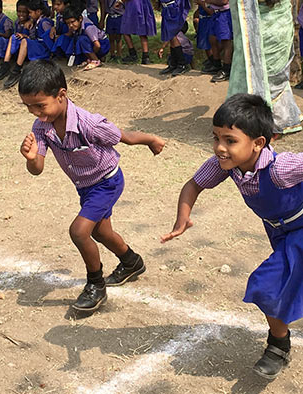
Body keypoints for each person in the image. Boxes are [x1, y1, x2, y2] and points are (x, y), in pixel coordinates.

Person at [161, 93, 303, 380]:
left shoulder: (280, 168)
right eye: (216, 138)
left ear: (258, 144)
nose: (219, 148)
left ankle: (278, 346)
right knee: (281, 284)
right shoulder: (225, 166)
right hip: (278, 231)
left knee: (265, 285)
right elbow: (193, 186)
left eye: (230, 140)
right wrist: (182, 216)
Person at [19, 60, 165, 312]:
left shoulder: (89, 124)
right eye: (28, 107)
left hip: (107, 182)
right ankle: (131, 262)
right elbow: (37, 169)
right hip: (85, 187)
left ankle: (96, 285)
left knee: (79, 231)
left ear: (61, 95)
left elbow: (125, 137)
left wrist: (151, 139)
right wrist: (31, 159)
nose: (35, 112)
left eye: (40, 105)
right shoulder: (41, 126)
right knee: (100, 232)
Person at [227, 0, 302, 135]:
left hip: (268, 31)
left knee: (264, 77)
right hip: (279, 25)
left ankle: (263, 125)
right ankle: (276, 121)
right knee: (273, 79)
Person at [0, 0, 55, 88]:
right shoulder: (36, 21)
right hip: (36, 44)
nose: (29, 15)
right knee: (14, 37)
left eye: (30, 12)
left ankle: (17, 70)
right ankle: (5, 64)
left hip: (43, 49)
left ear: (38, 12)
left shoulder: (44, 22)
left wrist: (27, 37)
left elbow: (48, 39)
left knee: (24, 41)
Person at [157, 0, 190, 75]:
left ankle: (182, 64)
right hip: (167, 8)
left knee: (173, 35)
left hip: (173, 9)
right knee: (170, 36)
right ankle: (173, 64)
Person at [117, 0, 156, 64]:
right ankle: (145, 57)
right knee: (142, 29)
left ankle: (133, 54)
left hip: (134, 5)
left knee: (125, 29)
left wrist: (121, 1)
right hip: (143, 4)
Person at [207, 0, 233, 82]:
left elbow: (224, 1)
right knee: (212, 38)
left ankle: (226, 69)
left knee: (226, 42)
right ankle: (216, 64)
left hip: (225, 13)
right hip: (215, 13)